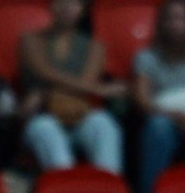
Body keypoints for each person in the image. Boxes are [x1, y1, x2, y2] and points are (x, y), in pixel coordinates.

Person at [20, 0, 125, 174]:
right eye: (60, 2)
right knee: (45, 128)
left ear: (83, 9)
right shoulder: (30, 40)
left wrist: (45, 91)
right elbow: (43, 71)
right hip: (43, 114)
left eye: (74, 3)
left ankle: (108, 188)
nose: (66, 7)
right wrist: (98, 89)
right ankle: (64, 191)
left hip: (80, 115)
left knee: (104, 124)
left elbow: (86, 82)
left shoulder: (95, 47)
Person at [135, 0, 185, 193]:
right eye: (170, 18)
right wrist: (174, 116)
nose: (175, 24)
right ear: (161, 23)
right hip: (166, 122)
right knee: (158, 127)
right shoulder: (147, 58)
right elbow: (142, 101)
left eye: (181, 19)